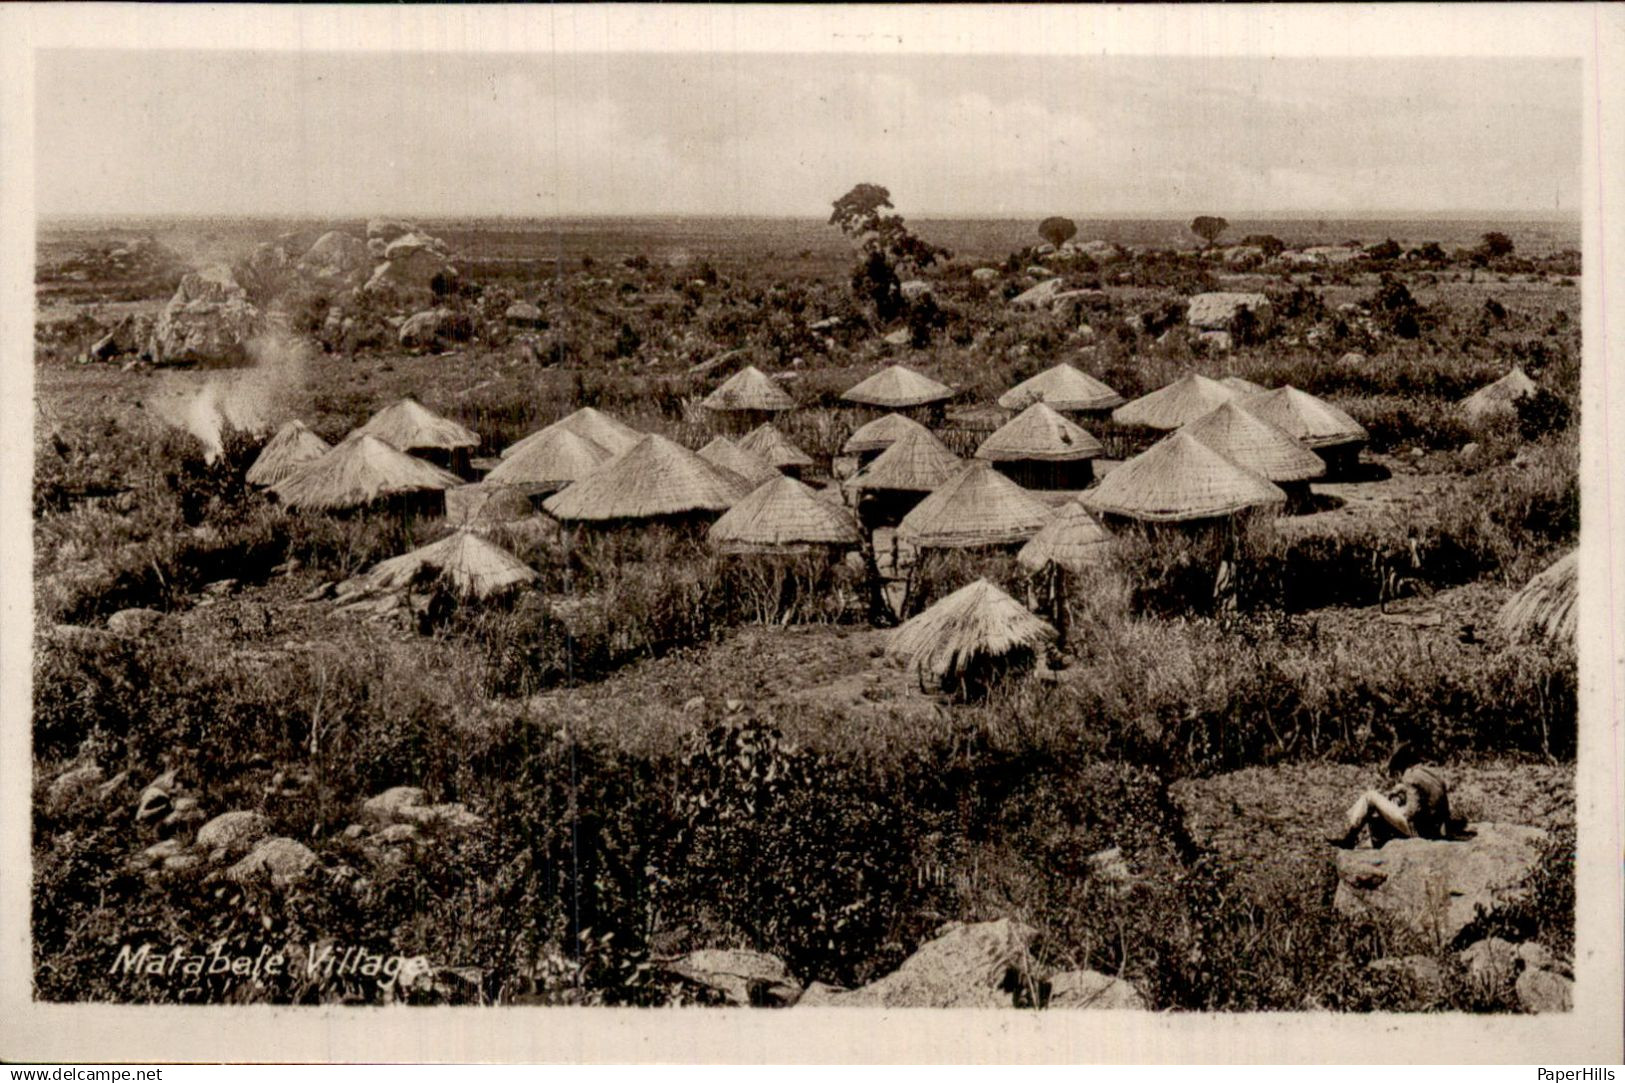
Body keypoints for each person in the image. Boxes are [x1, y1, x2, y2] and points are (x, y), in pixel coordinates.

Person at [1324, 742, 1465, 848]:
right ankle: (1353, 834)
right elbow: (1427, 799)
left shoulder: (1409, 777)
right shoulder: (1433, 775)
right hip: (1435, 830)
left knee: (1370, 796)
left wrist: (1394, 809)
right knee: (1384, 806)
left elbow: (1412, 812)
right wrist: (1401, 791)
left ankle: (1350, 835)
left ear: (1400, 768)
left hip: (1420, 833)